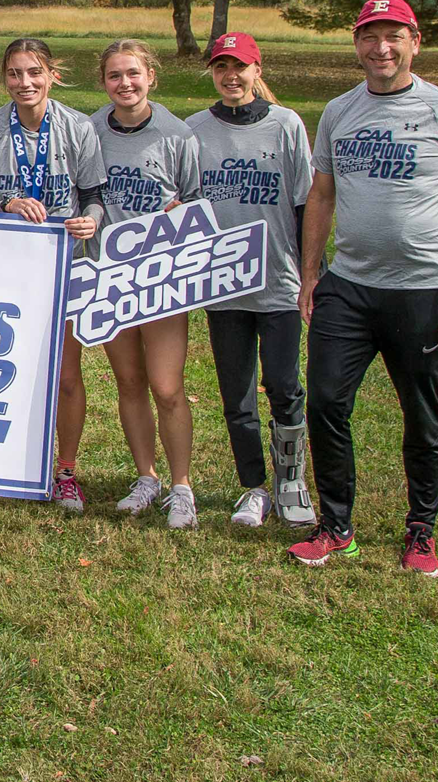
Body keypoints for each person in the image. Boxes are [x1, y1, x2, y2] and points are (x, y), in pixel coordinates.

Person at [290, 0, 438, 577]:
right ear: (356, 44)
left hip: (420, 290)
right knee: (326, 402)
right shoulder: (338, 111)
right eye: (370, 36)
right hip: (347, 286)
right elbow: (321, 195)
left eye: (393, 36)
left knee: (421, 415)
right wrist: (310, 273)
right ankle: (336, 527)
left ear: (415, 41)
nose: (382, 48)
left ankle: (420, 532)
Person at [185, 31, 317, 528]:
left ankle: (291, 481)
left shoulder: (285, 125)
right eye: (221, 67)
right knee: (235, 393)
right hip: (222, 285)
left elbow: (306, 203)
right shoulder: (195, 128)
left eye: (240, 67)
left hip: (279, 280)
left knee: (283, 385)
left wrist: (310, 274)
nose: (231, 76)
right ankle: (254, 488)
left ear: (257, 71)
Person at [0, 38, 106, 513]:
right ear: (4, 78)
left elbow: (93, 194)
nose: (24, 83)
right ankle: (4, 463)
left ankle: (66, 471)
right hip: (7, 268)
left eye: (34, 72)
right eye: (14, 74)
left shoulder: (77, 127)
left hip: (63, 265)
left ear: (52, 73)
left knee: (66, 375)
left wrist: (90, 219)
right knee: (3, 370)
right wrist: (8, 204)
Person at [90, 39, 204, 529]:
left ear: (150, 77)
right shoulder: (90, 129)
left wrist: (184, 214)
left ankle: (182, 487)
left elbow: (198, 205)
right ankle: (146, 477)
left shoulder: (177, 134)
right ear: (104, 82)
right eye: (115, 76)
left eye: (133, 74)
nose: (125, 84)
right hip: (108, 275)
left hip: (160, 276)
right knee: (129, 382)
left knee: (167, 386)